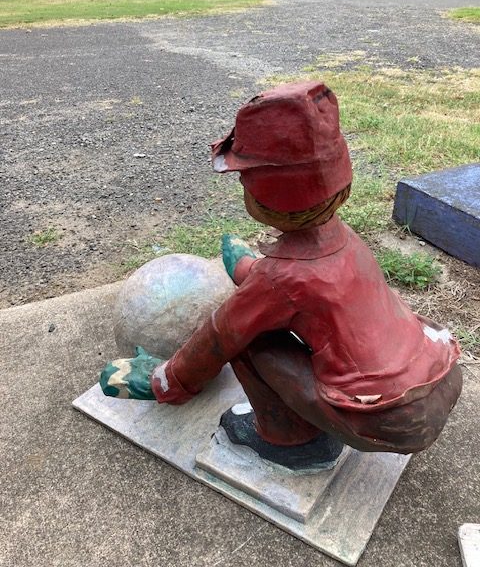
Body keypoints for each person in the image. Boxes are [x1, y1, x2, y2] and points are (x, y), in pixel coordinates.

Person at [100, 81, 462, 471]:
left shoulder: (280, 279)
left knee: (248, 337)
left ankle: (290, 442)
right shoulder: (344, 239)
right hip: (437, 378)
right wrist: (251, 270)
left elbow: (219, 336)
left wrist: (164, 381)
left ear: (260, 193)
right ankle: (311, 420)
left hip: (384, 418)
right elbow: (311, 291)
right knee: (269, 316)